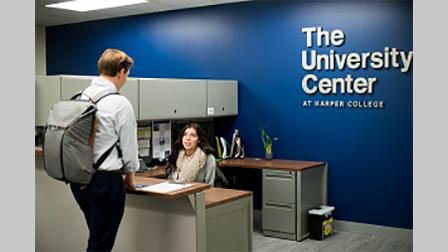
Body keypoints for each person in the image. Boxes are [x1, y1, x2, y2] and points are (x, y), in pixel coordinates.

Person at [70, 48, 139, 252]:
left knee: (97, 237)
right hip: (105, 183)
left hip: (79, 181)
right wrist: (131, 177)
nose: (126, 78)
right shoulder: (119, 103)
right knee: (100, 245)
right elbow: (128, 145)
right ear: (121, 71)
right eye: (127, 73)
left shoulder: (81, 97)